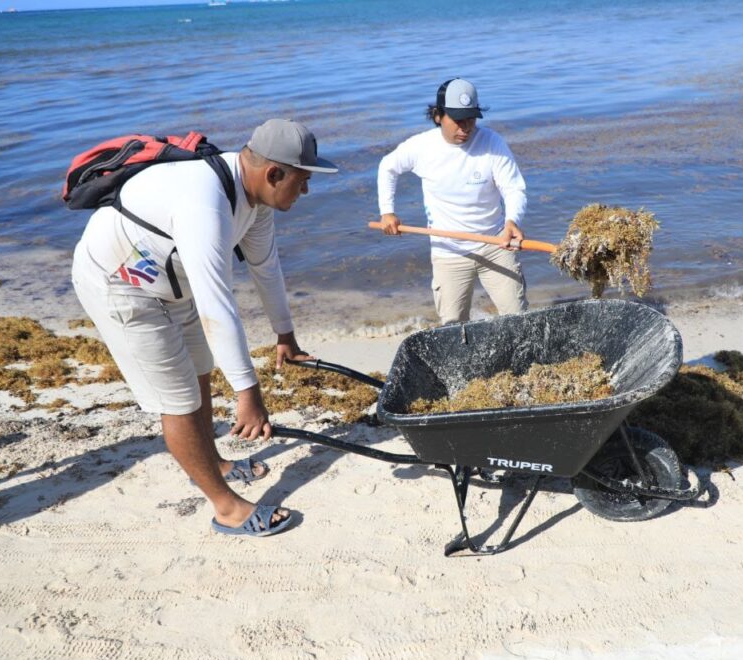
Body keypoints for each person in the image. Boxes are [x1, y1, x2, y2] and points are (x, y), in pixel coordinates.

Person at [70, 119, 337, 538]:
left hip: (170, 285)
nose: (306, 191)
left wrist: (285, 335)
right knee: (177, 398)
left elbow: (267, 269)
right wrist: (249, 394)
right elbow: (218, 303)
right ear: (274, 173)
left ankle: (214, 462)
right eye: (303, 181)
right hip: (120, 286)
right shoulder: (204, 202)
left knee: (199, 369)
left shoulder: (255, 201)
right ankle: (227, 507)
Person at [377, 78, 528, 325]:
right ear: (438, 116)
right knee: (452, 325)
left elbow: (513, 188)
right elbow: (387, 167)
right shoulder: (422, 146)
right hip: (449, 250)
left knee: (517, 317)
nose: (465, 127)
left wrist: (512, 220)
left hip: (496, 243)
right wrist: (387, 211)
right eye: (458, 120)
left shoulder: (492, 143)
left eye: (471, 118)